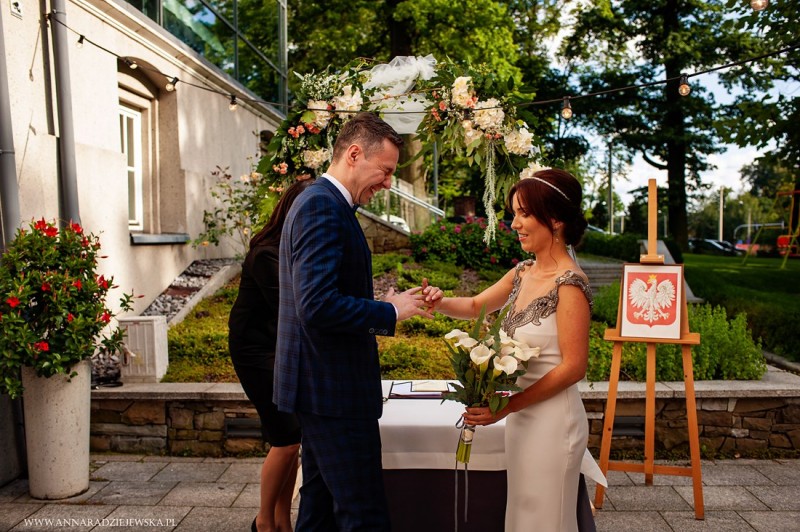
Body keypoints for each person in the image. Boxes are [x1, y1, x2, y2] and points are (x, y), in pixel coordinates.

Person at [273, 112, 440, 531]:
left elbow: (321, 296)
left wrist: (386, 303)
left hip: (322, 389)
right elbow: (317, 306)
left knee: (319, 511)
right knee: (364, 515)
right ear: (353, 154)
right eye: (385, 170)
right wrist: (389, 311)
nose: (388, 183)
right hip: (333, 392)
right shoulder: (322, 207)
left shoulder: (323, 203)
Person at [432, 168, 595, 532]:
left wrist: (508, 406)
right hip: (521, 420)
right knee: (523, 516)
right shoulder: (523, 272)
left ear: (555, 219)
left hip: (553, 424)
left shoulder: (570, 285)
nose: (514, 223)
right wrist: (437, 302)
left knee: (547, 520)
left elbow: (574, 367)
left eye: (524, 213)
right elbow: (475, 306)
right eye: (514, 213)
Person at [228, 178, 314, 532]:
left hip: (280, 349)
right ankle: (264, 522)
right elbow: (292, 309)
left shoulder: (293, 249)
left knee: (291, 438)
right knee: (287, 437)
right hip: (256, 352)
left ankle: (282, 521)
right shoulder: (267, 253)